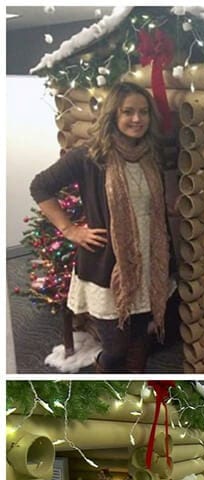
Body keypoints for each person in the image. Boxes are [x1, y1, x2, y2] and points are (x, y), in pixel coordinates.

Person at [30, 82, 174, 373]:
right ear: (113, 116)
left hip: (149, 262)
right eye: (128, 112)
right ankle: (102, 368)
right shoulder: (90, 156)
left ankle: (134, 390)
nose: (137, 119)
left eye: (143, 112)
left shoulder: (151, 155)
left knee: (139, 340)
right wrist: (70, 230)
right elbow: (40, 187)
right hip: (107, 266)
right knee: (116, 347)